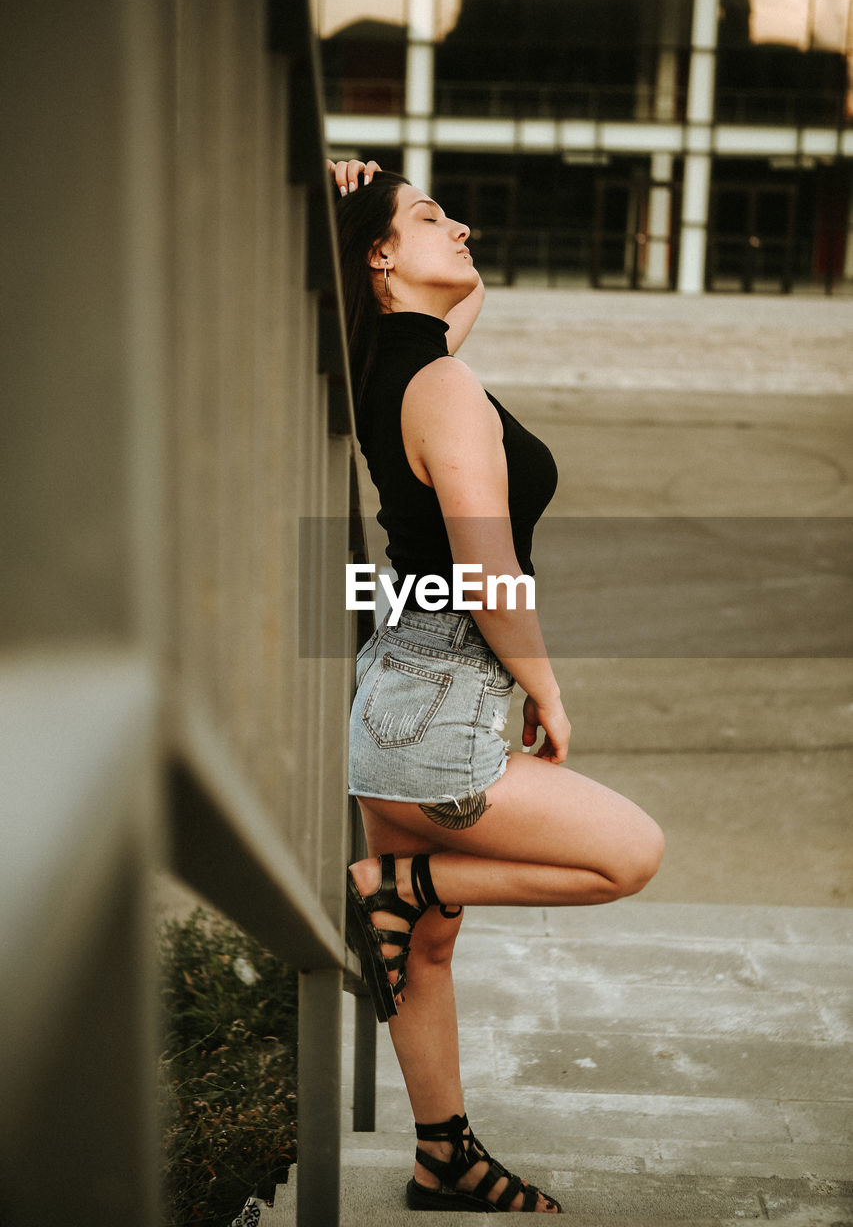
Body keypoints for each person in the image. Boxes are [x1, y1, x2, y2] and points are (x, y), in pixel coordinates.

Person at [329, 157, 665, 1215]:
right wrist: (548, 690)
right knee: (627, 853)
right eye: (433, 217)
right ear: (381, 255)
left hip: (397, 692)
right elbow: (487, 572)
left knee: (423, 949)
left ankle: (444, 1156)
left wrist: (355, 187)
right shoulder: (441, 386)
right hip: (436, 704)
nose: (462, 227)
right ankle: (399, 887)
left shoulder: (391, 362)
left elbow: (465, 286)